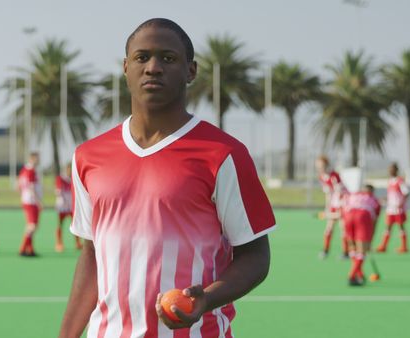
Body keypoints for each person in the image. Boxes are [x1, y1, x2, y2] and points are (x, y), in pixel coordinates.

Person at [59, 18, 276, 338]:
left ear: (191, 71)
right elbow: (92, 255)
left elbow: (256, 255)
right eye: (142, 57)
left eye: (168, 58)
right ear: (126, 67)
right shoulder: (88, 156)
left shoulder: (223, 154)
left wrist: (208, 299)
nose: (153, 67)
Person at [342, 184, 381, 286]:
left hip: (348, 215)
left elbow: (343, 208)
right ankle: (351, 276)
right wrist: (370, 239)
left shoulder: (353, 195)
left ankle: (359, 274)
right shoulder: (375, 200)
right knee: (362, 250)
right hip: (363, 216)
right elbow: (374, 222)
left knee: (353, 247)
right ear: (372, 192)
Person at [315, 156, 349, 259]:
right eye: (317, 166)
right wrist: (327, 208)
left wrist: (340, 209)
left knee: (342, 228)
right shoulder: (321, 177)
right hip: (333, 204)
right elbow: (328, 194)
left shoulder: (334, 176)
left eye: (321, 165)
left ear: (326, 165)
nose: (319, 168)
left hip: (342, 203)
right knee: (329, 228)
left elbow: (341, 193)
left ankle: (346, 252)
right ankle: (325, 250)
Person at [376, 163, 410, 253]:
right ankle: (383, 246)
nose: (389, 171)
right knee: (388, 227)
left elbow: (406, 193)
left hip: (398, 209)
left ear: (396, 170)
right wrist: (385, 199)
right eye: (389, 169)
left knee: (401, 227)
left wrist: (401, 203)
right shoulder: (390, 181)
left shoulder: (400, 181)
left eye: (391, 169)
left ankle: (404, 246)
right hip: (390, 208)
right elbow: (391, 195)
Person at [18, 152, 42, 257]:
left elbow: (19, 184)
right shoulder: (31, 171)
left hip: (26, 200)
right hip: (31, 201)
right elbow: (32, 187)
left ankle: (30, 249)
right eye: (37, 159)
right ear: (32, 159)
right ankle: (23, 248)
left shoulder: (24, 170)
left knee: (32, 225)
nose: (39, 160)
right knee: (32, 226)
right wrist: (38, 201)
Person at [54, 162, 82, 252]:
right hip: (62, 206)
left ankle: (77, 243)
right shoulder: (60, 178)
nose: (71, 171)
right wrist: (63, 200)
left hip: (71, 206)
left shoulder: (74, 178)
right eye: (70, 169)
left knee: (75, 224)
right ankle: (59, 243)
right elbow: (58, 191)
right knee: (60, 224)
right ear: (66, 169)